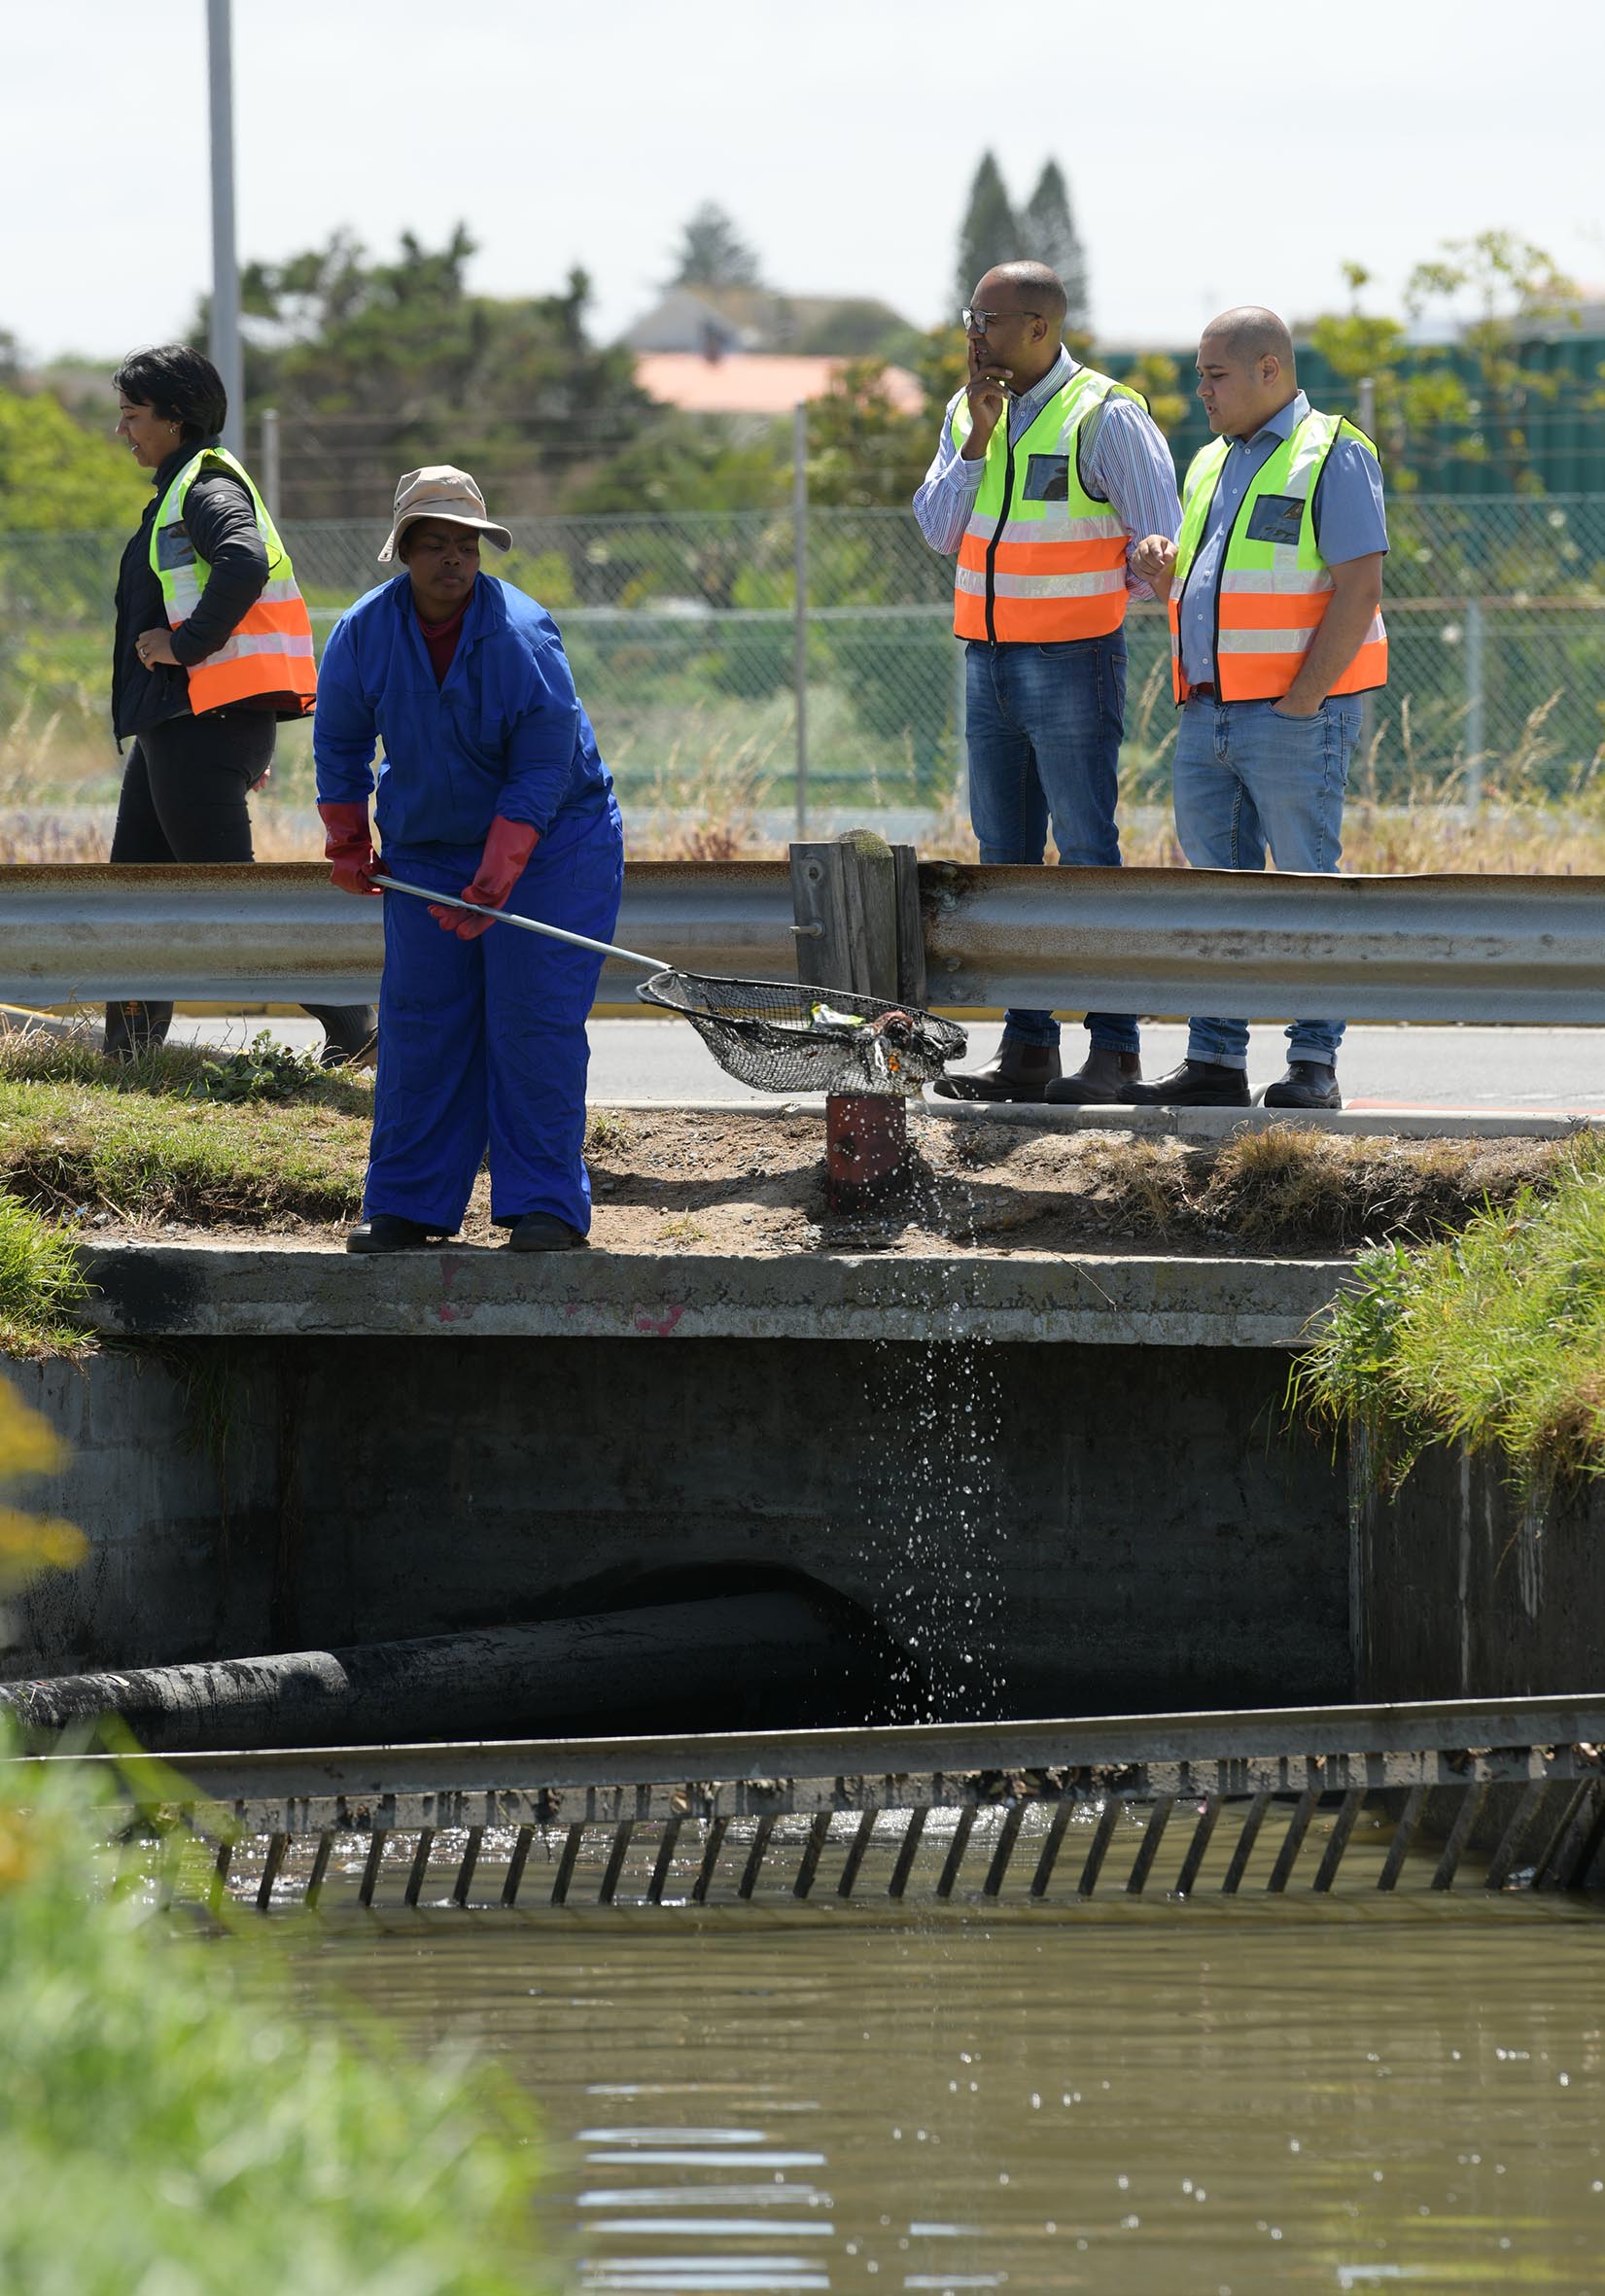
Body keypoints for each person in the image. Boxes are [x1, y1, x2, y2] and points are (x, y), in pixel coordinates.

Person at [313, 465, 624, 1254]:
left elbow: (544, 762)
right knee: (421, 1024)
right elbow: (340, 741)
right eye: (435, 543)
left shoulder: (521, 633)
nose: (453, 559)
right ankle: (408, 1206)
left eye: (468, 544)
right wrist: (348, 841)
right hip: (426, 848)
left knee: (532, 1022)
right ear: (404, 550)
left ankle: (544, 1205)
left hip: (552, 848)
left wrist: (497, 875)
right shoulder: (363, 632)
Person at [913, 261, 1181, 1104]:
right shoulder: (967, 412)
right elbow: (935, 529)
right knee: (1005, 858)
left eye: (984, 319)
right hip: (985, 661)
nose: (972, 334)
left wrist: (1098, 597)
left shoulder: (1106, 414)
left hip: (1070, 663)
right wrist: (975, 442)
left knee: (1089, 855)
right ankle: (1027, 1047)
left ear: (1038, 328)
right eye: (970, 318)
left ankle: (1115, 1049)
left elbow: (1161, 543)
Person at [1120, 307, 1388, 1111]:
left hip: (1292, 718)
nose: (1199, 390)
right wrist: (1161, 571)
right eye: (1199, 374)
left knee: (1307, 891)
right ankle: (1214, 1061)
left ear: (1269, 369)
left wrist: (1301, 701)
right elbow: (1217, 591)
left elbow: (1360, 588)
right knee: (1216, 892)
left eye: (1214, 374)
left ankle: (1312, 1062)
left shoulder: (1333, 452)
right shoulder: (1208, 461)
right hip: (1208, 715)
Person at [107, 344, 375, 1063]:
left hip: (206, 722)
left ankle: (357, 1025)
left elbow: (244, 561)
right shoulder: (177, 488)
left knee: (234, 899)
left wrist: (185, 644)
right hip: (182, 725)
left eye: (133, 416)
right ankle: (127, 1056)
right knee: (136, 892)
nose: (122, 430)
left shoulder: (205, 485)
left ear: (175, 417)